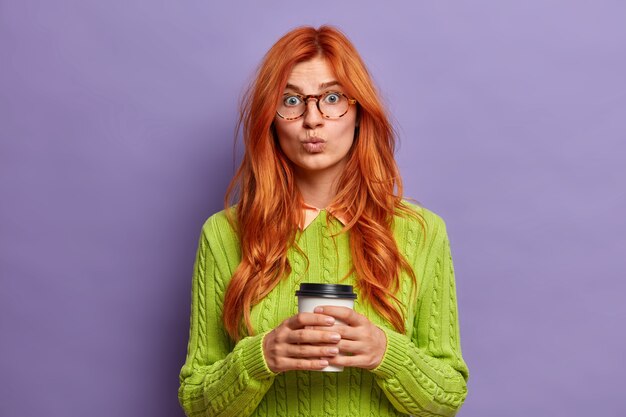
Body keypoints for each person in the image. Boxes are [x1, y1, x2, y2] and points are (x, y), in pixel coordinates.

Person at [178, 25, 469, 417]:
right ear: (271, 118)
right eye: (292, 100)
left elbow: (448, 397)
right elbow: (197, 403)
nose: (312, 119)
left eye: (332, 98)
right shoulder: (224, 234)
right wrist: (261, 356)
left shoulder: (420, 231)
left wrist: (386, 352)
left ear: (360, 112)